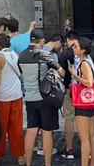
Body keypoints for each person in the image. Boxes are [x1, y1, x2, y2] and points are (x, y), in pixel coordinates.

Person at [19, 29, 66, 166]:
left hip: (29, 97)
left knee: (31, 130)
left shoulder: (21, 55)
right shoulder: (44, 54)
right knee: (46, 132)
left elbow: (21, 74)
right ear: (41, 41)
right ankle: (47, 163)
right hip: (45, 98)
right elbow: (61, 72)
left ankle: (28, 163)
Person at [0, 33, 25, 166]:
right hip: (16, 93)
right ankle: (20, 155)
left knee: (0, 127)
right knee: (16, 126)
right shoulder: (15, 55)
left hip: (3, 95)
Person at [68, 37, 94, 166]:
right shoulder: (88, 61)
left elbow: (89, 82)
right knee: (91, 134)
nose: (73, 48)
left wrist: (74, 75)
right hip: (90, 101)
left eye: (76, 46)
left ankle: (85, 163)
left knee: (84, 137)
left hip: (83, 102)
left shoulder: (84, 63)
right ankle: (93, 162)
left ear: (83, 50)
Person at [58, 31, 80, 160]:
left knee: (69, 118)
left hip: (69, 88)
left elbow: (61, 73)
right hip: (84, 89)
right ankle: (87, 147)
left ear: (67, 40)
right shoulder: (87, 50)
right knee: (85, 119)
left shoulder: (65, 53)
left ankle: (69, 148)